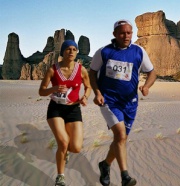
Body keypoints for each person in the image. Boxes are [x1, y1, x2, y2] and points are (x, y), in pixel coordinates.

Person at [89, 19, 156, 186]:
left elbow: (152, 72)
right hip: (109, 101)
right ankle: (125, 176)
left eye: (129, 32)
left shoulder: (139, 51)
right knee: (120, 135)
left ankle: (105, 165)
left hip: (131, 103)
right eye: (122, 33)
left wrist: (146, 86)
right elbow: (92, 73)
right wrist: (97, 93)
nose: (126, 36)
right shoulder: (103, 52)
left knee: (121, 139)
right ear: (114, 34)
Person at [39, 40, 91, 186]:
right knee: (63, 142)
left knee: (76, 147)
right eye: (68, 49)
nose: (71, 51)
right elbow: (41, 91)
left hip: (74, 109)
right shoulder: (52, 69)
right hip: (56, 108)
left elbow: (88, 86)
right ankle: (60, 177)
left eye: (74, 49)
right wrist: (53, 89)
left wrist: (85, 97)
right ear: (62, 52)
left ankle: (65, 152)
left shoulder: (81, 70)